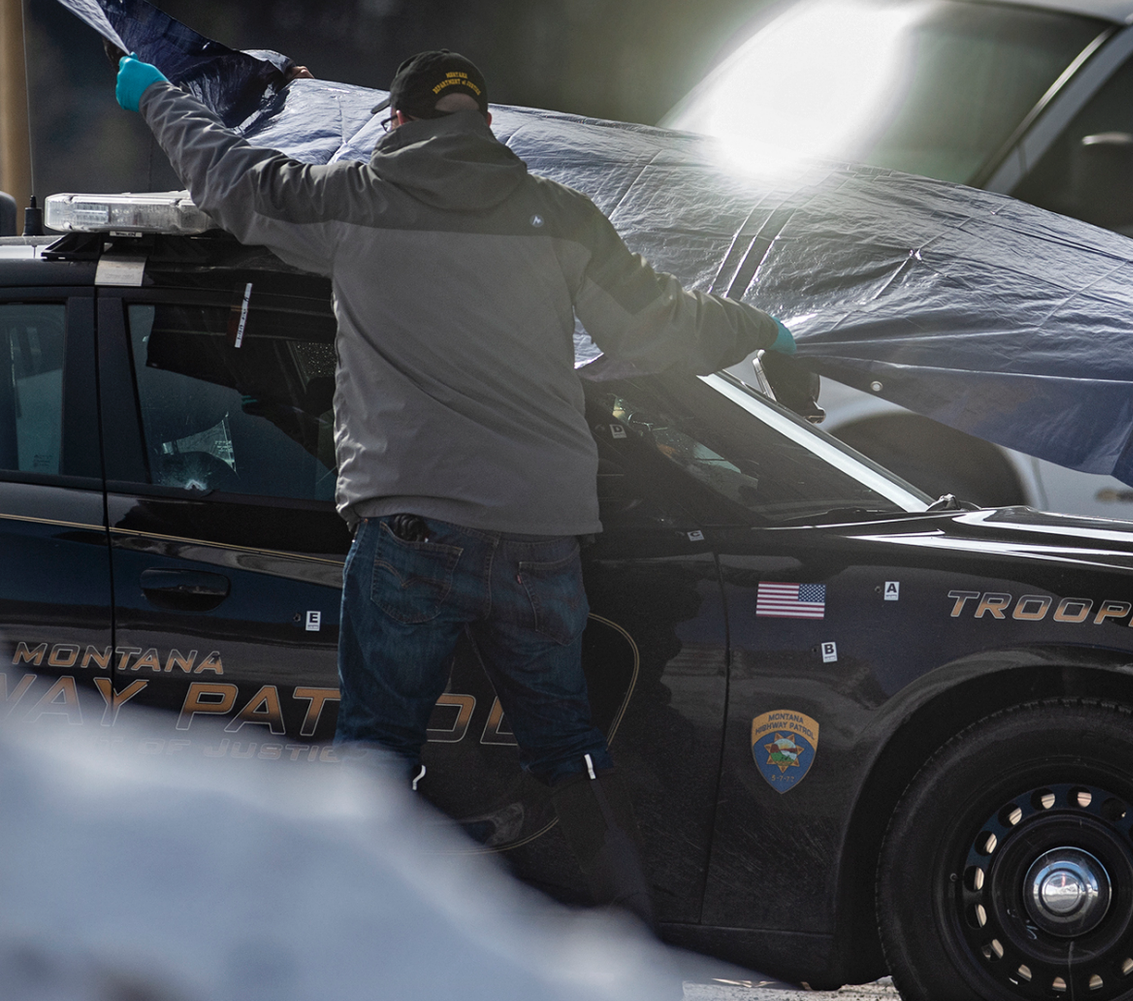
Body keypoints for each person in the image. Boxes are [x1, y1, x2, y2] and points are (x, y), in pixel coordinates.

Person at [113, 50, 793, 927]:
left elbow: (236, 183)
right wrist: (764, 326)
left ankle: (351, 939)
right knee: (567, 743)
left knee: (378, 747)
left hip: (410, 532)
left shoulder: (357, 201)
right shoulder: (561, 217)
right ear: (483, 123)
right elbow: (663, 328)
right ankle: (631, 930)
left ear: (396, 123)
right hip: (541, 536)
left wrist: (160, 97)